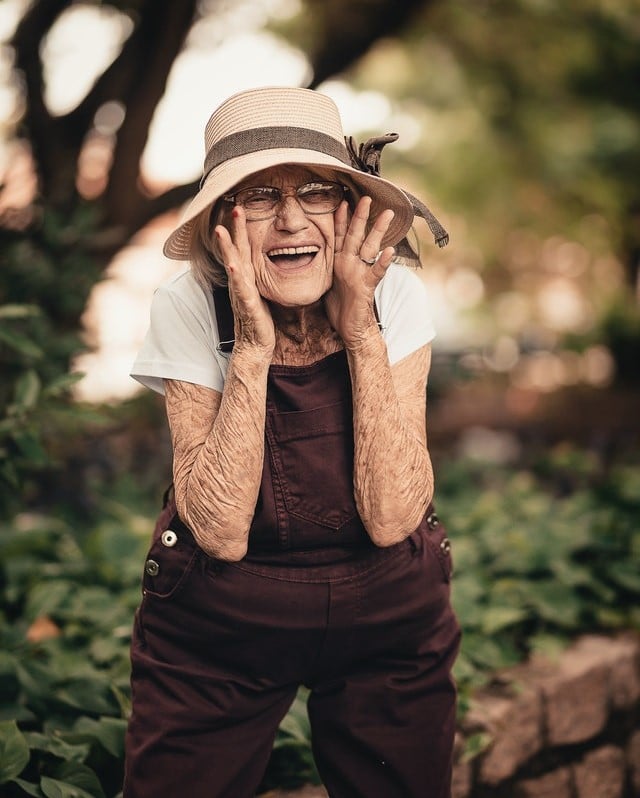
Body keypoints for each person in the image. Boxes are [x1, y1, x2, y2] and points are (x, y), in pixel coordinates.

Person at [125, 86, 460, 798]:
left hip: (386, 612)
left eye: (313, 189)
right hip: (223, 622)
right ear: (223, 222)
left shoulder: (393, 296)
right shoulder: (185, 304)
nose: (289, 219)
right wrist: (251, 343)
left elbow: (396, 516)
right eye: (257, 196)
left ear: (347, 209)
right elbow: (215, 530)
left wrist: (361, 328)